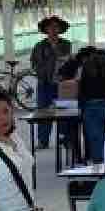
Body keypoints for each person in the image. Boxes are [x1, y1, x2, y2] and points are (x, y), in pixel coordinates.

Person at [61, 46, 105, 164]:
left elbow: (79, 86)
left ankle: (98, 165)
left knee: (95, 139)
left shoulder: (86, 65)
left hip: (91, 106)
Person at [29, 15, 72, 148]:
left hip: (61, 85)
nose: (53, 30)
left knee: (64, 111)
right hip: (44, 84)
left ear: (60, 29)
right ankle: (43, 141)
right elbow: (34, 63)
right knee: (43, 112)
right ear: (46, 30)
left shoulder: (66, 44)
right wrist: (42, 72)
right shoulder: (39, 46)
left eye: (56, 27)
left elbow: (68, 61)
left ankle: (65, 139)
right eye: (50, 27)